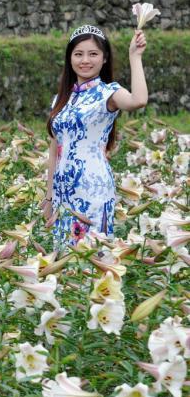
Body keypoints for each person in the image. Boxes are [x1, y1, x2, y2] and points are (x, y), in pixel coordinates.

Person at [44, 24, 148, 247]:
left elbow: (138, 100)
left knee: (91, 260)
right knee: (63, 265)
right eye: (78, 54)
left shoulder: (108, 93)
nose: (85, 60)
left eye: (93, 54)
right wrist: (49, 197)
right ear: (69, 58)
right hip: (62, 194)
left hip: (93, 189)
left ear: (104, 58)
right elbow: (54, 152)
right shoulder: (60, 100)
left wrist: (135, 57)